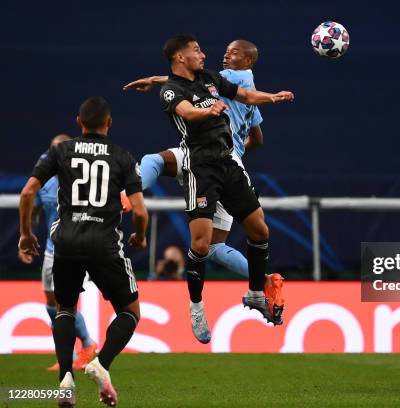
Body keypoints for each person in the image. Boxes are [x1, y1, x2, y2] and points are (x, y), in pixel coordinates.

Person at [138, 33, 292, 345]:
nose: (205, 55)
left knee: (260, 230)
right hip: (199, 166)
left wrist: (273, 97)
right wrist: (205, 111)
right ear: (181, 57)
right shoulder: (172, 90)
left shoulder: (211, 79)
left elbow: (245, 97)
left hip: (229, 163)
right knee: (201, 243)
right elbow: (187, 112)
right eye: (197, 50)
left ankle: (255, 291)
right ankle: (196, 307)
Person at [18, 97, 148, 407]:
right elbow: (140, 212)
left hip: (66, 242)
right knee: (130, 312)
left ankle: (66, 378)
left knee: (65, 309)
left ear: (79, 122)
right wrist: (140, 238)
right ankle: (100, 364)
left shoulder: (60, 151)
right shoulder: (122, 157)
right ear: (109, 123)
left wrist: (25, 234)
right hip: (104, 244)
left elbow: (27, 192)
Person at [123, 39, 265, 280]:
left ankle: (127, 196)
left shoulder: (230, 77)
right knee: (213, 247)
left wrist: (155, 80)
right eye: (227, 51)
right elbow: (258, 138)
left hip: (211, 157)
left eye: (235, 53)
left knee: (155, 161)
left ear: (248, 60)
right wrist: (236, 156)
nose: (226, 56)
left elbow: (188, 78)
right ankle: (265, 279)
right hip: (227, 161)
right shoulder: (249, 89)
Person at [18, 134, 98, 372]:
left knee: (66, 303)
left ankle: (83, 346)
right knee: (51, 302)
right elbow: (34, 210)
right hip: (53, 249)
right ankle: (74, 351)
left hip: (77, 248)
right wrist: (26, 238)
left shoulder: (83, 177)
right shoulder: (45, 182)